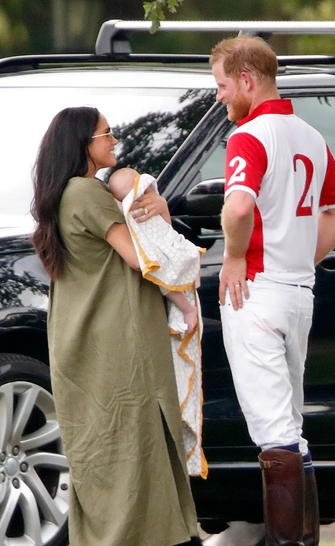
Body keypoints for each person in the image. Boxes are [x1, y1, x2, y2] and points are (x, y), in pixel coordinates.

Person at [31, 107, 201, 546]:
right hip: (117, 345)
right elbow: (144, 257)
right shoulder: (86, 192)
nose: (114, 142)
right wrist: (184, 299)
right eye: (106, 135)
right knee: (133, 451)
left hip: (84, 344)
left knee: (107, 454)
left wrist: (156, 207)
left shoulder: (66, 195)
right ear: (82, 145)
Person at [210, 36, 335, 546]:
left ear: (248, 80)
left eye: (224, 86)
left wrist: (232, 257)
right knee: (291, 427)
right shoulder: (310, 135)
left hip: (256, 292)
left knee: (274, 433)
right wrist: (302, 254)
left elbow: (238, 207)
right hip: (298, 292)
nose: (222, 97)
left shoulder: (250, 136)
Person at [108, 167, 207, 479]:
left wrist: (162, 210)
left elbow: (166, 245)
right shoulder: (125, 217)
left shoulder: (147, 210)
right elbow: (151, 260)